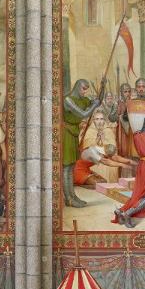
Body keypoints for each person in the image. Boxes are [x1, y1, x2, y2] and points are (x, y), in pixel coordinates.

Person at [62, 79, 101, 207]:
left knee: (72, 166)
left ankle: (73, 196)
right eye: (83, 89)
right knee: (67, 167)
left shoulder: (83, 99)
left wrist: (103, 87)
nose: (85, 92)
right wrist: (94, 105)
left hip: (74, 133)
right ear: (77, 87)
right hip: (66, 133)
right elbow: (83, 114)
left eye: (86, 89)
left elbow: (98, 102)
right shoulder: (68, 100)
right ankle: (68, 198)